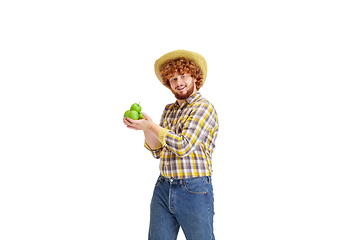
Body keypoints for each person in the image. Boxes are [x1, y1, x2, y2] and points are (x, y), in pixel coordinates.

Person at [123, 49, 219, 240]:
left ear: (194, 77)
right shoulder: (169, 110)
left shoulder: (203, 107)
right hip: (163, 187)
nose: (179, 83)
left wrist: (151, 125)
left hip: (194, 188)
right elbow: (158, 150)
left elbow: (183, 145)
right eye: (173, 79)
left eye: (183, 76)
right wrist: (144, 127)